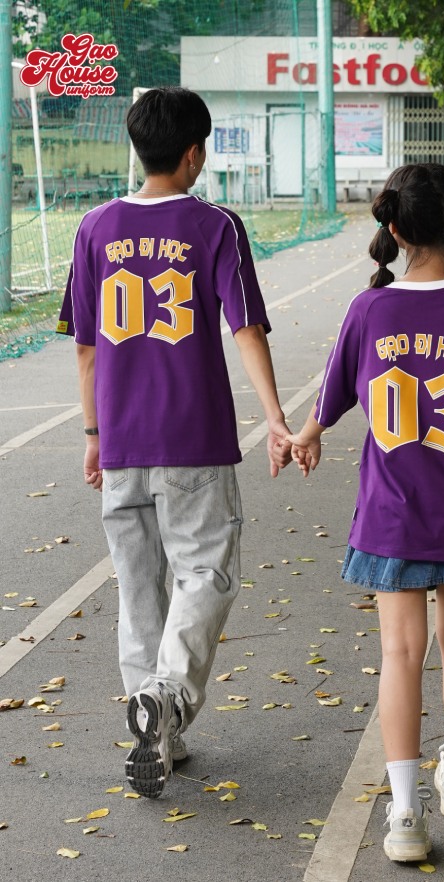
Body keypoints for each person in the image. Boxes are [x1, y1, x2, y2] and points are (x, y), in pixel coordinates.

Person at [285, 163, 444, 862]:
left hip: (391, 517)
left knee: (399, 654)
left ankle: (403, 813)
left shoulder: (369, 311)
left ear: (392, 229)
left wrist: (307, 434)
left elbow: (333, 392)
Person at [57, 87, 290, 798]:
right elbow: (245, 327)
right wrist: (276, 418)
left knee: (138, 587)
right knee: (206, 574)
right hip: (194, 439)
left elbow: (87, 349)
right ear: (193, 153)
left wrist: (93, 435)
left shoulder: (94, 227)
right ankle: (168, 698)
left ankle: (156, 724)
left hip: (121, 442)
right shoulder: (215, 225)